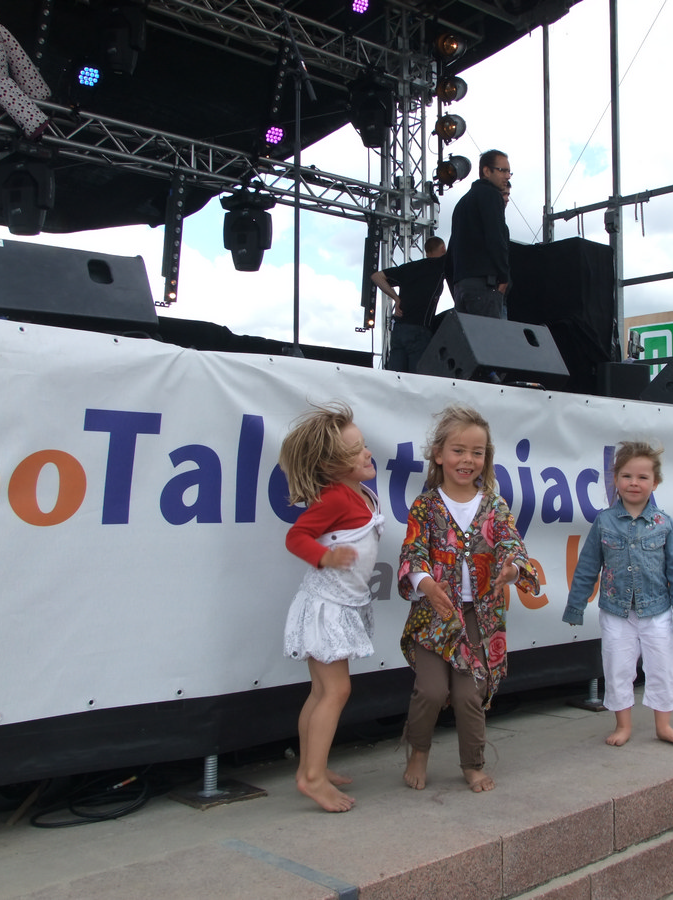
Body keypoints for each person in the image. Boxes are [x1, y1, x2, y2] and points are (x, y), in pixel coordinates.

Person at [397, 404, 539, 792]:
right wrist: (428, 586)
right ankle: (419, 750)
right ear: (439, 455)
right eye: (458, 450)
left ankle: (472, 763)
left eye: (477, 452)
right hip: (434, 614)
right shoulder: (425, 506)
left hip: (480, 615)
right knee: (431, 691)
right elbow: (413, 552)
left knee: (469, 694)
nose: (467, 460)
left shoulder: (494, 505)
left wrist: (511, 569)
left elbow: (511, 545)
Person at [278, 401, 384, 812]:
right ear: (331, 465)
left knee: (321, 691)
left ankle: (311, 767)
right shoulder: (336, 498)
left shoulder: (359, 493)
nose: (367, 453)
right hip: (326, 607)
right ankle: (312, 778)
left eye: (364, 445)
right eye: (356, 451)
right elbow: (296, 537)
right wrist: (325, 557)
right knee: (336, 690)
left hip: (341, 603)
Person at [562, 441, 673, 746]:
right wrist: (576, 606)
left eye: (642, 477)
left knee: (662, 667)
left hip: (657, 611)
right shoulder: (604, 522)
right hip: (615, 613)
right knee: (617, 668)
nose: (634, 483)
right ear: (616, 480)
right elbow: (587, 567)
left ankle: (663, 725)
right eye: (627, 476)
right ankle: (623, 725)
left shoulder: (664, 524)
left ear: (655, 483)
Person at [448, 149, 512, 319]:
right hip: (484, 285)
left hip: (462, 287)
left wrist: (456, 285)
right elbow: (495, 238)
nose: (507, 176)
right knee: (490, 336)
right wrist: (504, 278)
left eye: (509, 172)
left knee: (467, 336)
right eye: (502, 170)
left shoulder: (462, 203)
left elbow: (451, 252)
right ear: (486, 171)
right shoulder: (491, 195)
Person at [371, 236, 448, 373]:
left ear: (426, 252)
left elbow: (376, 276)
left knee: (396, 377)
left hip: (399, 329)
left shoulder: (410, 267)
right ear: (443, 249)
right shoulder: (441, 264)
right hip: (419, 329)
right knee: (417, 378)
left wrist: (396, 298)